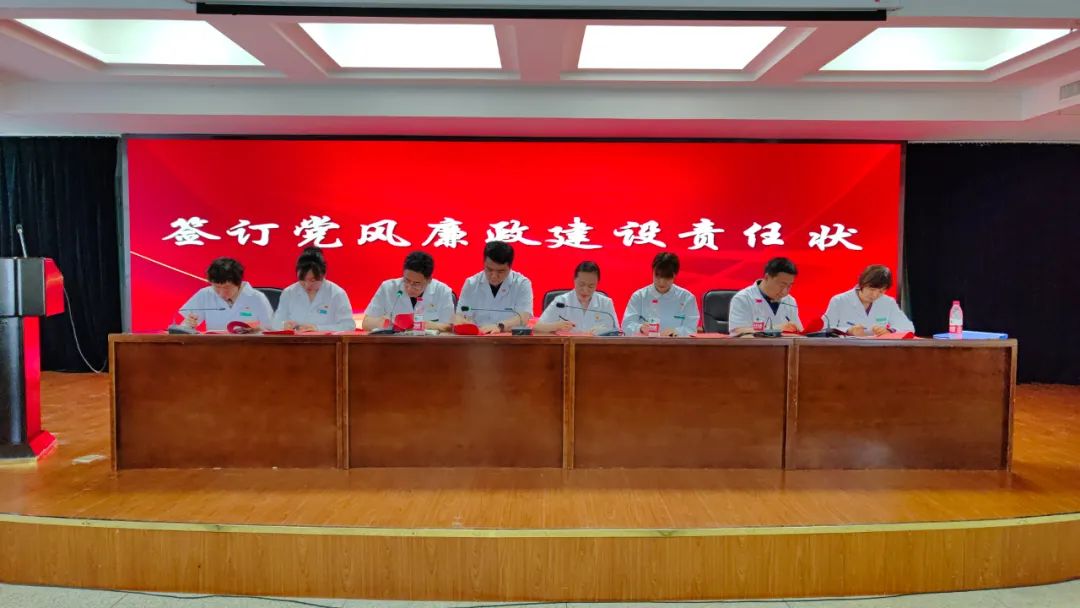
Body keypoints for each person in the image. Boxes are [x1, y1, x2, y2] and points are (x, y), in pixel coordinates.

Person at [362, 250, 456, 333]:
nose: (409, 287)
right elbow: (366, 322)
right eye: (406, 280)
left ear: (429, 280)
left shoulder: (442, 291)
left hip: (429, 344)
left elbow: (449, 327)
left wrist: (419, 324)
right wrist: (389, 323)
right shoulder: (388, 288)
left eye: (416, 283)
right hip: (395, 344)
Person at [455, 241, 534, 334]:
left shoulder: (522, 284)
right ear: (484, 263)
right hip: (478, 338)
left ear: (510, 267)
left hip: (508, 338)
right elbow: (460, 315)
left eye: (500, 271)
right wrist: (468, 325)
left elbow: (524, 317)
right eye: (489, 269)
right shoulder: (471, 284)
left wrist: (500, 326)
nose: (494, 276)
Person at [272, 246, 356, 332]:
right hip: (294, 340)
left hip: (325, 340)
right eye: (302, 280)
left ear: (323, 275)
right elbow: (274, 323)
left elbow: (348, 325)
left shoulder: (337, 294)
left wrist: (317, 328)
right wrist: (283, 325)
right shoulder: (289, 292)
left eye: (312, 280)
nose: (307, 285)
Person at [178, 257, 273, 332]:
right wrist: (188, 324)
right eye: (217, 287)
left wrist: (257, 330)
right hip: (214, 347)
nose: (221, 293)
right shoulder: (205, 294)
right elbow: (185, 327)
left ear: (238, 283)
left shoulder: (257, 298)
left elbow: (271, 331)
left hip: (249, 347)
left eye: (227, 287)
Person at [621, 252, 700, 337]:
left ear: (675, 275)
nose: (661, 282)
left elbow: (692, 329)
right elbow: (626, 325)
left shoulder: (687, 298)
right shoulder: (639, 296)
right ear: (652, 272)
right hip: (645, 343)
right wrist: (640, 328)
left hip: (675, 343)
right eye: (657, 276)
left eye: (667, 277)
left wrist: (678, 332)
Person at [823, 264, 914, 336]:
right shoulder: (839, 301)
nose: (875, 295)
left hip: (877, 349)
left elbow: (908, 327)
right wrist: (848, 330)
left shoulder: (888, 302)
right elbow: (824, 329)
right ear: (861, 284)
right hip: (845, 349)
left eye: (881, 291)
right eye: (871, 289)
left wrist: (889, 330)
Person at [534, 261, 619, 335]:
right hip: (567, 347)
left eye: (591, 286)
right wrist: (555, 326)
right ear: (574, 280)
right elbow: (536, 328)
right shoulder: (561, 302)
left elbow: (617, 333)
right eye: (581, 284)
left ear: (597, 283)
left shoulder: (606, 303)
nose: (585, 290)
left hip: (596, 347)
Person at [729, 257, 803, 336]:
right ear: (767, 277)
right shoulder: (743, 298)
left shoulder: (790, 300)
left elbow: (798, 331)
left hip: (785, 344)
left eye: (789, 286)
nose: (785, 291)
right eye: (782, 285)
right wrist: (775, 329)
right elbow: (738, 332)